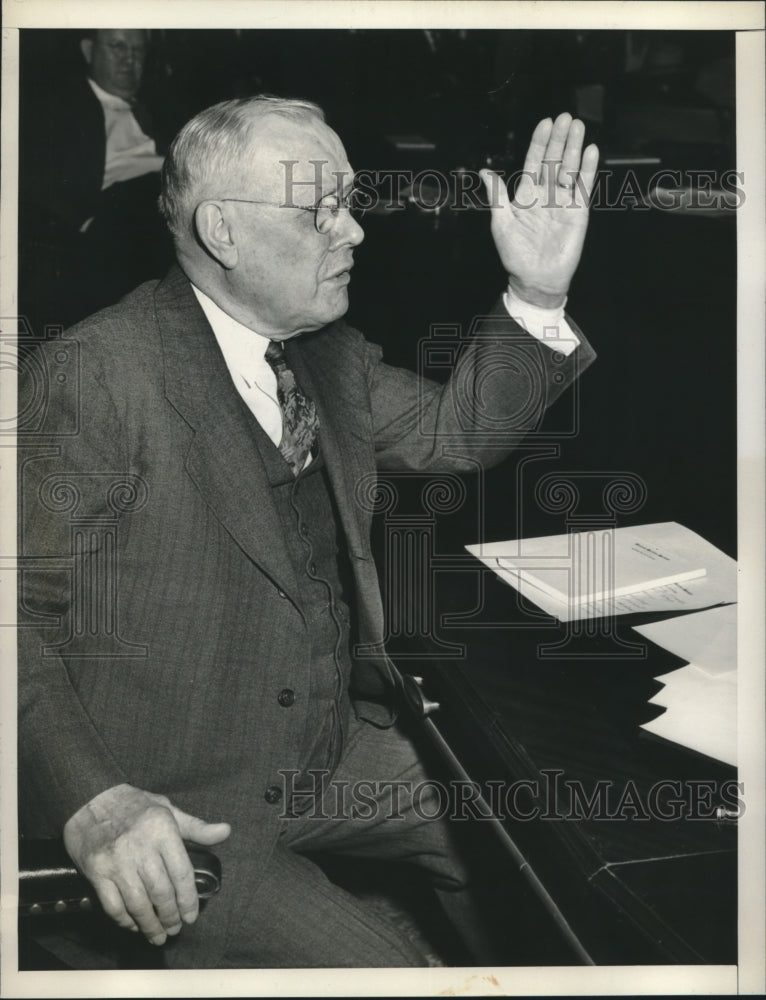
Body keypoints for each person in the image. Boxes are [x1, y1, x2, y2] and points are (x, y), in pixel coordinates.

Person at [18, 95, 598, 969]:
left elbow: (457, 436)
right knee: (396, 976)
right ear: (224, 232)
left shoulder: (323, 352)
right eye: (321, 207)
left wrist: (538, 288)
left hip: (326, 748)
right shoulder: (97, 375)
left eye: (352, 201)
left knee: (546, 841)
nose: (355, 230)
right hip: (179, 796)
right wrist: (93, 800)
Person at [18, 28, 173, 331]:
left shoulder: (164, 106)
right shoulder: (54, 105)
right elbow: (33, 181)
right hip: (116, 210)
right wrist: (77, 218)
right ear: (89, 51)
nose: (129, 60)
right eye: (117, 47)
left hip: (169, 196)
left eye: (138, 51)